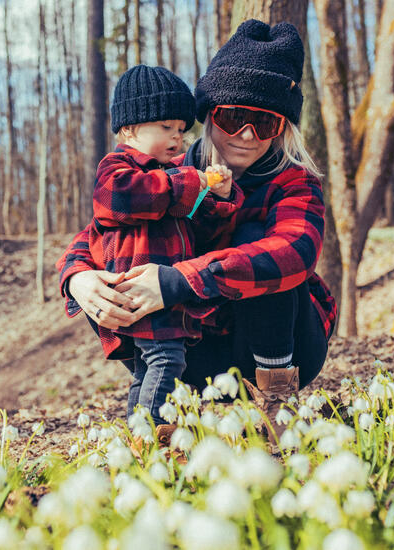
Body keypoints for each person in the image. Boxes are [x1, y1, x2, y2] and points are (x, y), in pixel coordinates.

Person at [57, 20, 337, 443]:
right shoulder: (172, 171)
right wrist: (78, 279)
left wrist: (175, 282)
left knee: (257, 248)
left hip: (282, 347)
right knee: (118, 265)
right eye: (234, 117)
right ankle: (159, 413)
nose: (246, 134)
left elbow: (292, 251)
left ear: (285, 129)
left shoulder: (294, 182)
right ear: (208, 116)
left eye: (266, 123)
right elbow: (102, 228)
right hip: (192, 344)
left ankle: (276, 404)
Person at [73, 64, 239, 431]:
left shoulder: (171, 174)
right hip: (134, 286)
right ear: (129, 129)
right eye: (166, 128)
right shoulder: (117, 167)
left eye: (181, 130)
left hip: (163, 291)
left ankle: (139, 433)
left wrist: (220, 197)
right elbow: (118, 199)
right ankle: (151, 430)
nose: (177, 139)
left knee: (150, 366)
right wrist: (186, 182)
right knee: (167, 360)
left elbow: (200, 225)